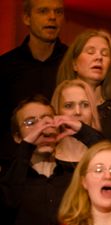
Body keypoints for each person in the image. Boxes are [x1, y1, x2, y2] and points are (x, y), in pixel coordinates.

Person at [56, 29, 111, 173]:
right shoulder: (56, 109)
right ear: (74, 63)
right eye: (90, 51)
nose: (99, 58)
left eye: (105, 54)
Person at [0, 0, 67, 171]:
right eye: (43, 11)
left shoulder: (73, 62)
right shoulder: (5, 66)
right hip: (14, 169)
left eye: (58, 12)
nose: (52, 17)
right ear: (26, 18)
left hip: (65, 165)